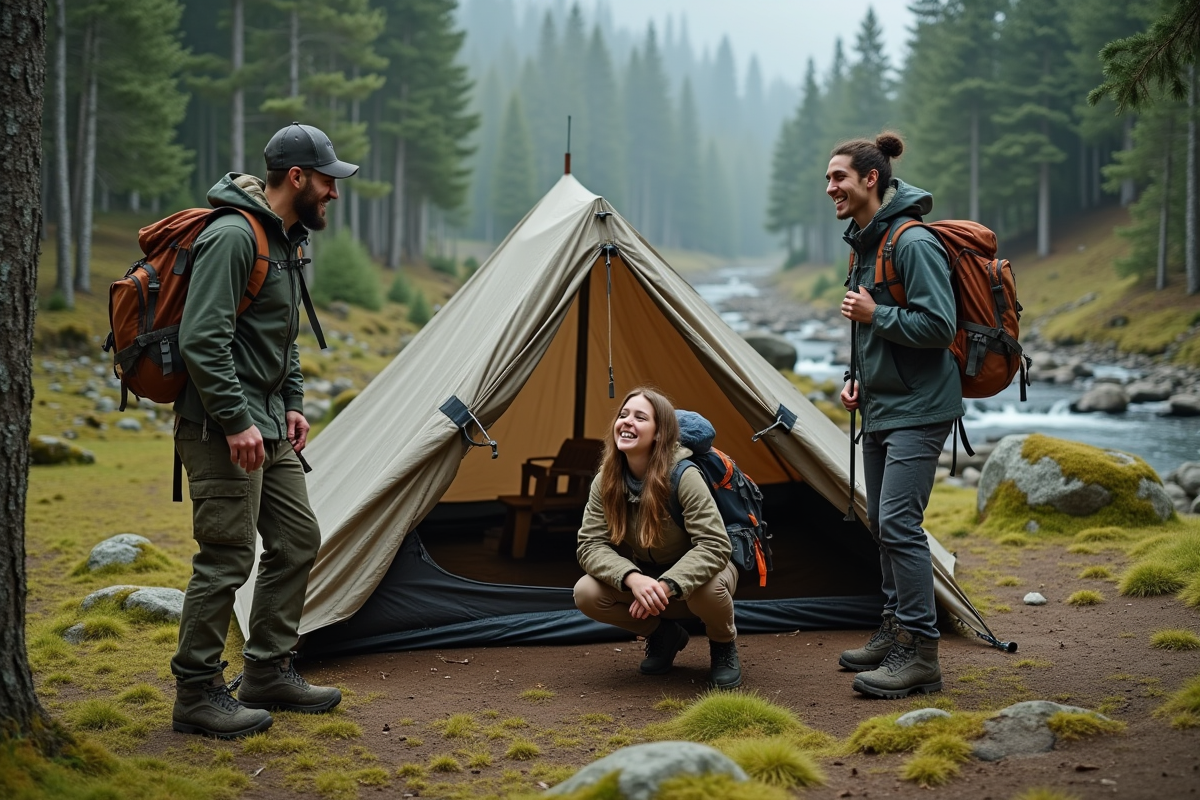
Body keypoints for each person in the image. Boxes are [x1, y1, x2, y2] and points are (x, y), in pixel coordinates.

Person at [170, 123, 358, 738]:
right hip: (224, 427)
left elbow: (283, 335)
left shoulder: (283, 240)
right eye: (328, 180)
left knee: (298, 540)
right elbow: (203, 339)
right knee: (225, 558)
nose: (334, 192)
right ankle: (196, 693)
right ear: (297, 177)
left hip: (270, 426)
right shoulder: (232, 236)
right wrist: (236, 420)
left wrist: (294, 402)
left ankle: (267, 670)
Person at [828, 132, 961, 699]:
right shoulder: (865, 243)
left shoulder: (911, 242)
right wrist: (856, 379)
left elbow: (940, 327)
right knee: (883, 525)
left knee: (900, 525)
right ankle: (893, 628)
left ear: (870, 179)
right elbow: (875, 334)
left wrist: (876, 312)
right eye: (829, 179)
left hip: (921, 409)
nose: (830, 187)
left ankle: (921, 654)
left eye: (839, 177)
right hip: (883, 406)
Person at [573, 387, 742, 689]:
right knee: (586, 592)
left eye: (640, 417)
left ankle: (723, 644)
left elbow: (715, 546)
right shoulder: (606, 478)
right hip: (649, 575)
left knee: (709, 590)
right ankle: (663, 634)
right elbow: (590, 545)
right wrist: (631, 577)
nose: (627, 422)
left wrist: (667, 585)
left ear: (660, 434)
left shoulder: (683, 475)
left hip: (700, 576)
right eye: (623, 415)